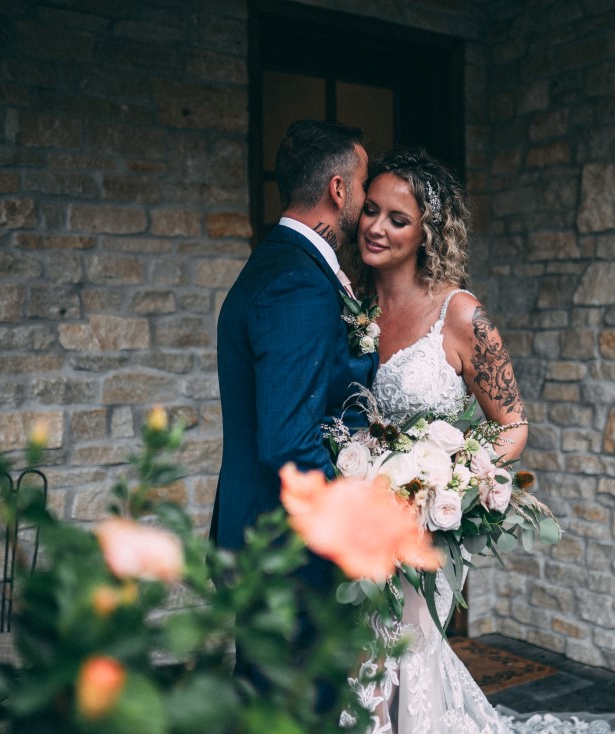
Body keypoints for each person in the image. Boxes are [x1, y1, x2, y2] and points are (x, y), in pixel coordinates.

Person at [342, 148, 615, 734]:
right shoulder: (351, 305)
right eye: (371, 211)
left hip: (424, 526)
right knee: (361, 658)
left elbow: (513, 423)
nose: (376, 227)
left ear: (427, 234)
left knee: (401, 652)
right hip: (358, 519)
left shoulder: (459, 314)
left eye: (397, 219)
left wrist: (449, 478)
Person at [212, 120, 379, 706]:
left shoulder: (273, 264)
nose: (367, 204)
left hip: (261, 536)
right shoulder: (298, 284)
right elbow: (287, 440)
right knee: (298, 708)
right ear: (339, 190)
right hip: (289, 549)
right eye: (363, 187)